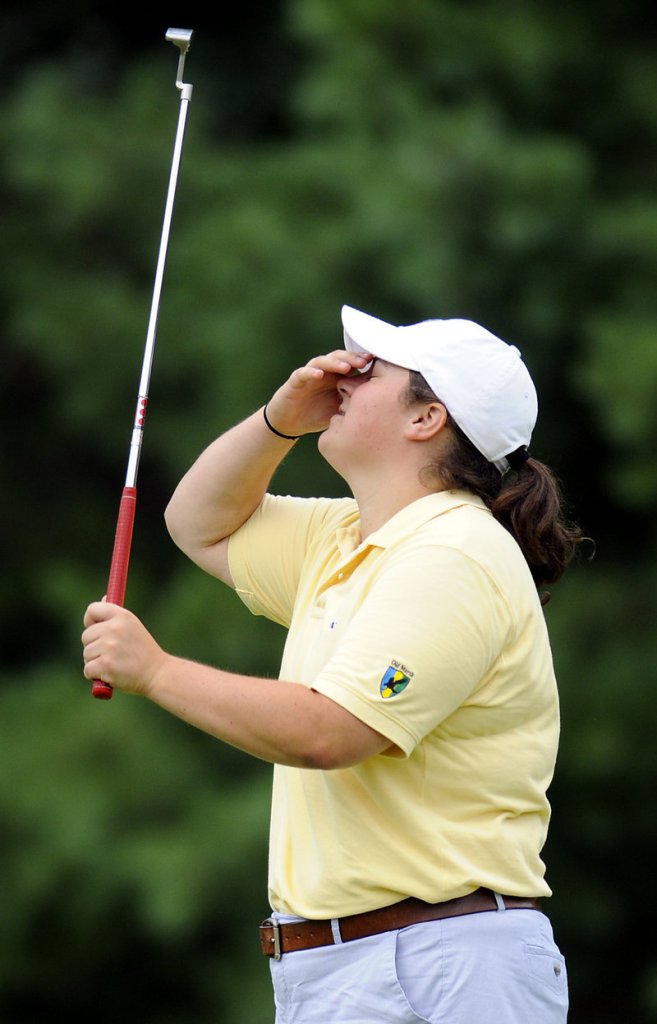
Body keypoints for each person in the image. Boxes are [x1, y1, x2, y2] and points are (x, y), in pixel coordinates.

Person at [82, 304, 583, 1024]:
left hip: (442, 960)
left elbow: (332, 733)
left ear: (425, 419)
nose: (340, 377)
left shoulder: (453, 554)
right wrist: (278, 420)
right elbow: (195, 522)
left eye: (370, 370)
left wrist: (155, 671)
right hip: (349, 964)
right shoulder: (344, 536)